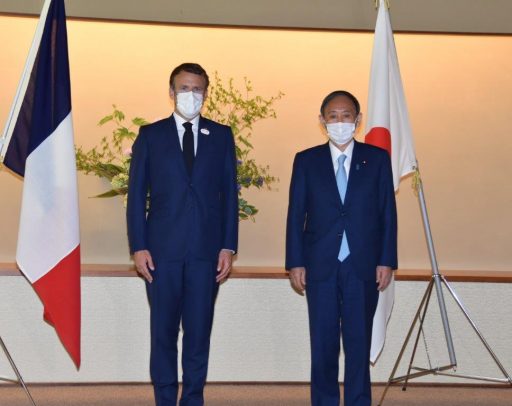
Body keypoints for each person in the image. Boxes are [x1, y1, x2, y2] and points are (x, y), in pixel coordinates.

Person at [126, 62, 238, 406]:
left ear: (206, 93)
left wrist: (228, 246)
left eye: (198, 89)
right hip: (161, 254)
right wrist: (138, 246)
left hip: (206, 253)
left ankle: (192, 399)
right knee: (162, 333)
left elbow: (230, 195)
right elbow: (136, 196)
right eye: (185, 88)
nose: (192, 95)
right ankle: (163, 399)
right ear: (172, 92)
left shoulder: (221, 136)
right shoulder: (150, 135)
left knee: (198, 333)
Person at [285, 90, 397, 406]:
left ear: (358, 120)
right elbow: (296, 213)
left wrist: (387, 260)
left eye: (346, 115)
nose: (340, 121)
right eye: (333, 116)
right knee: (323, 343)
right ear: (322, 121)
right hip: (319, 265)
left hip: (363, 265)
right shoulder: (306, 160)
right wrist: (295, 261)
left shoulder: (376, 160)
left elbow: (387, 212)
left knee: (358, 342)